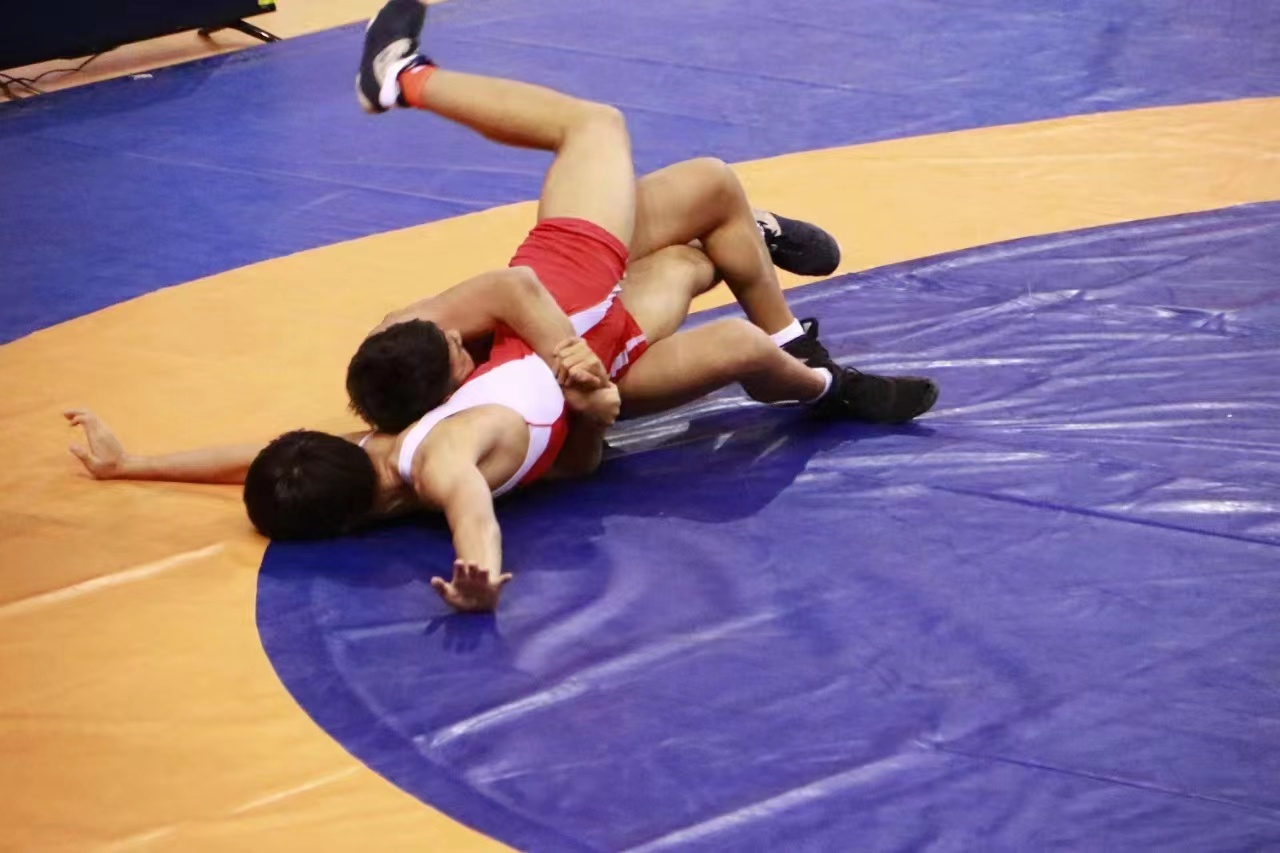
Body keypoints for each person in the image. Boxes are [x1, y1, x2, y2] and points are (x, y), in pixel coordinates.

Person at [68, 0, 939, 613]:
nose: (460, 350)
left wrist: (135, 462)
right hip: (588, 344)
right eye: (457, 351)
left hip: (583, 345)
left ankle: (747, 246)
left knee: (700, 222)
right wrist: (481, 574)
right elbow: (475, 515)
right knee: (622, 155)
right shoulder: (439, 460)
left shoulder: (376, 453)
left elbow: (253, 456)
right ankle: (404, 79)